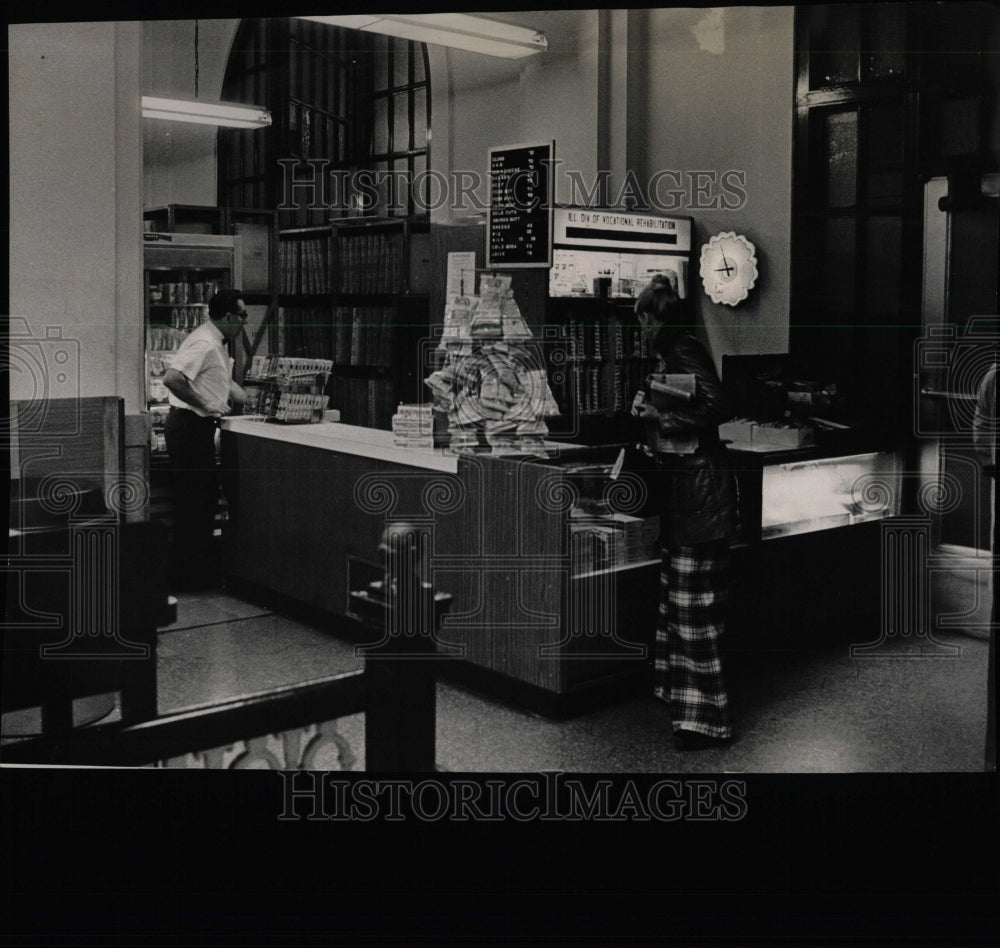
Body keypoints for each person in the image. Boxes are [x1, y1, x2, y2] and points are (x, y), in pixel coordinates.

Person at [631, 273, 739, 750]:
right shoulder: (671, 353)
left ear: (654, 318)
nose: (640, 331)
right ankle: (684, 702)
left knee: (693, 612)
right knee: (679, 605)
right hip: (689, 496)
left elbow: (719, 405)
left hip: (700, 497)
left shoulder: (683, 350)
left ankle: (707, 721)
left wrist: (662, 417)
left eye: (642, 322)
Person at [162, 289, 248, 592]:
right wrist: (207, 404)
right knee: (194, 502)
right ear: (228, 317)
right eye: (243, 316)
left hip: (196, 428)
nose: (245, 322)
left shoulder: (215, 343)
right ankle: (187, 577)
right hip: (189, 427)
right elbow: (172, 379)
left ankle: (195, 572)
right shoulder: (204, 342)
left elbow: (217, 379)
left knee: (202, 499)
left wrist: (241, 395)